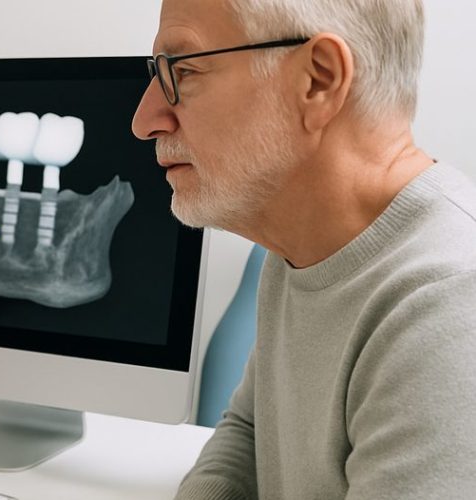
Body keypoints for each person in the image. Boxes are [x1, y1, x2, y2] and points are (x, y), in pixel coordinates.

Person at [132, 0, 476, 498]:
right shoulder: (305, 243)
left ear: (318, 79)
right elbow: (250, 433)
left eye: (183, 70)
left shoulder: (451, 311)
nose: (146, 120)